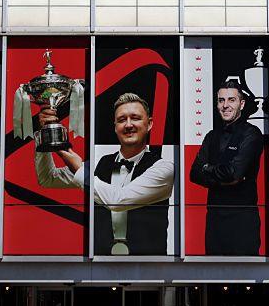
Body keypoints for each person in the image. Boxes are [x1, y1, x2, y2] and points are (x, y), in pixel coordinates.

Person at [34, 92, 175, 255]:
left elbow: (118, 200)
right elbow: (48, 178)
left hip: (148, 267)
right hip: (100, 264)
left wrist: (79, 170)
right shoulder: (99, 164)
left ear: (149, 124)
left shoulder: (163, 168)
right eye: (122, 120)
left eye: (135, 118)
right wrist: (44, 133)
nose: (128, 125)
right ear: (115, 126)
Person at [189, 79, 265, 255]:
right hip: (215, 222)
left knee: (245, 279)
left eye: (231, 100)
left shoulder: (252, 134)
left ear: (242, 104)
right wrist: (223, 175)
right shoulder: (211, 136)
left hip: (243, 222)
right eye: (221, 100)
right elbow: (194, 173)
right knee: (213, 279)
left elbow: (234, 173)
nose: (225, 105)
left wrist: (208, 169)